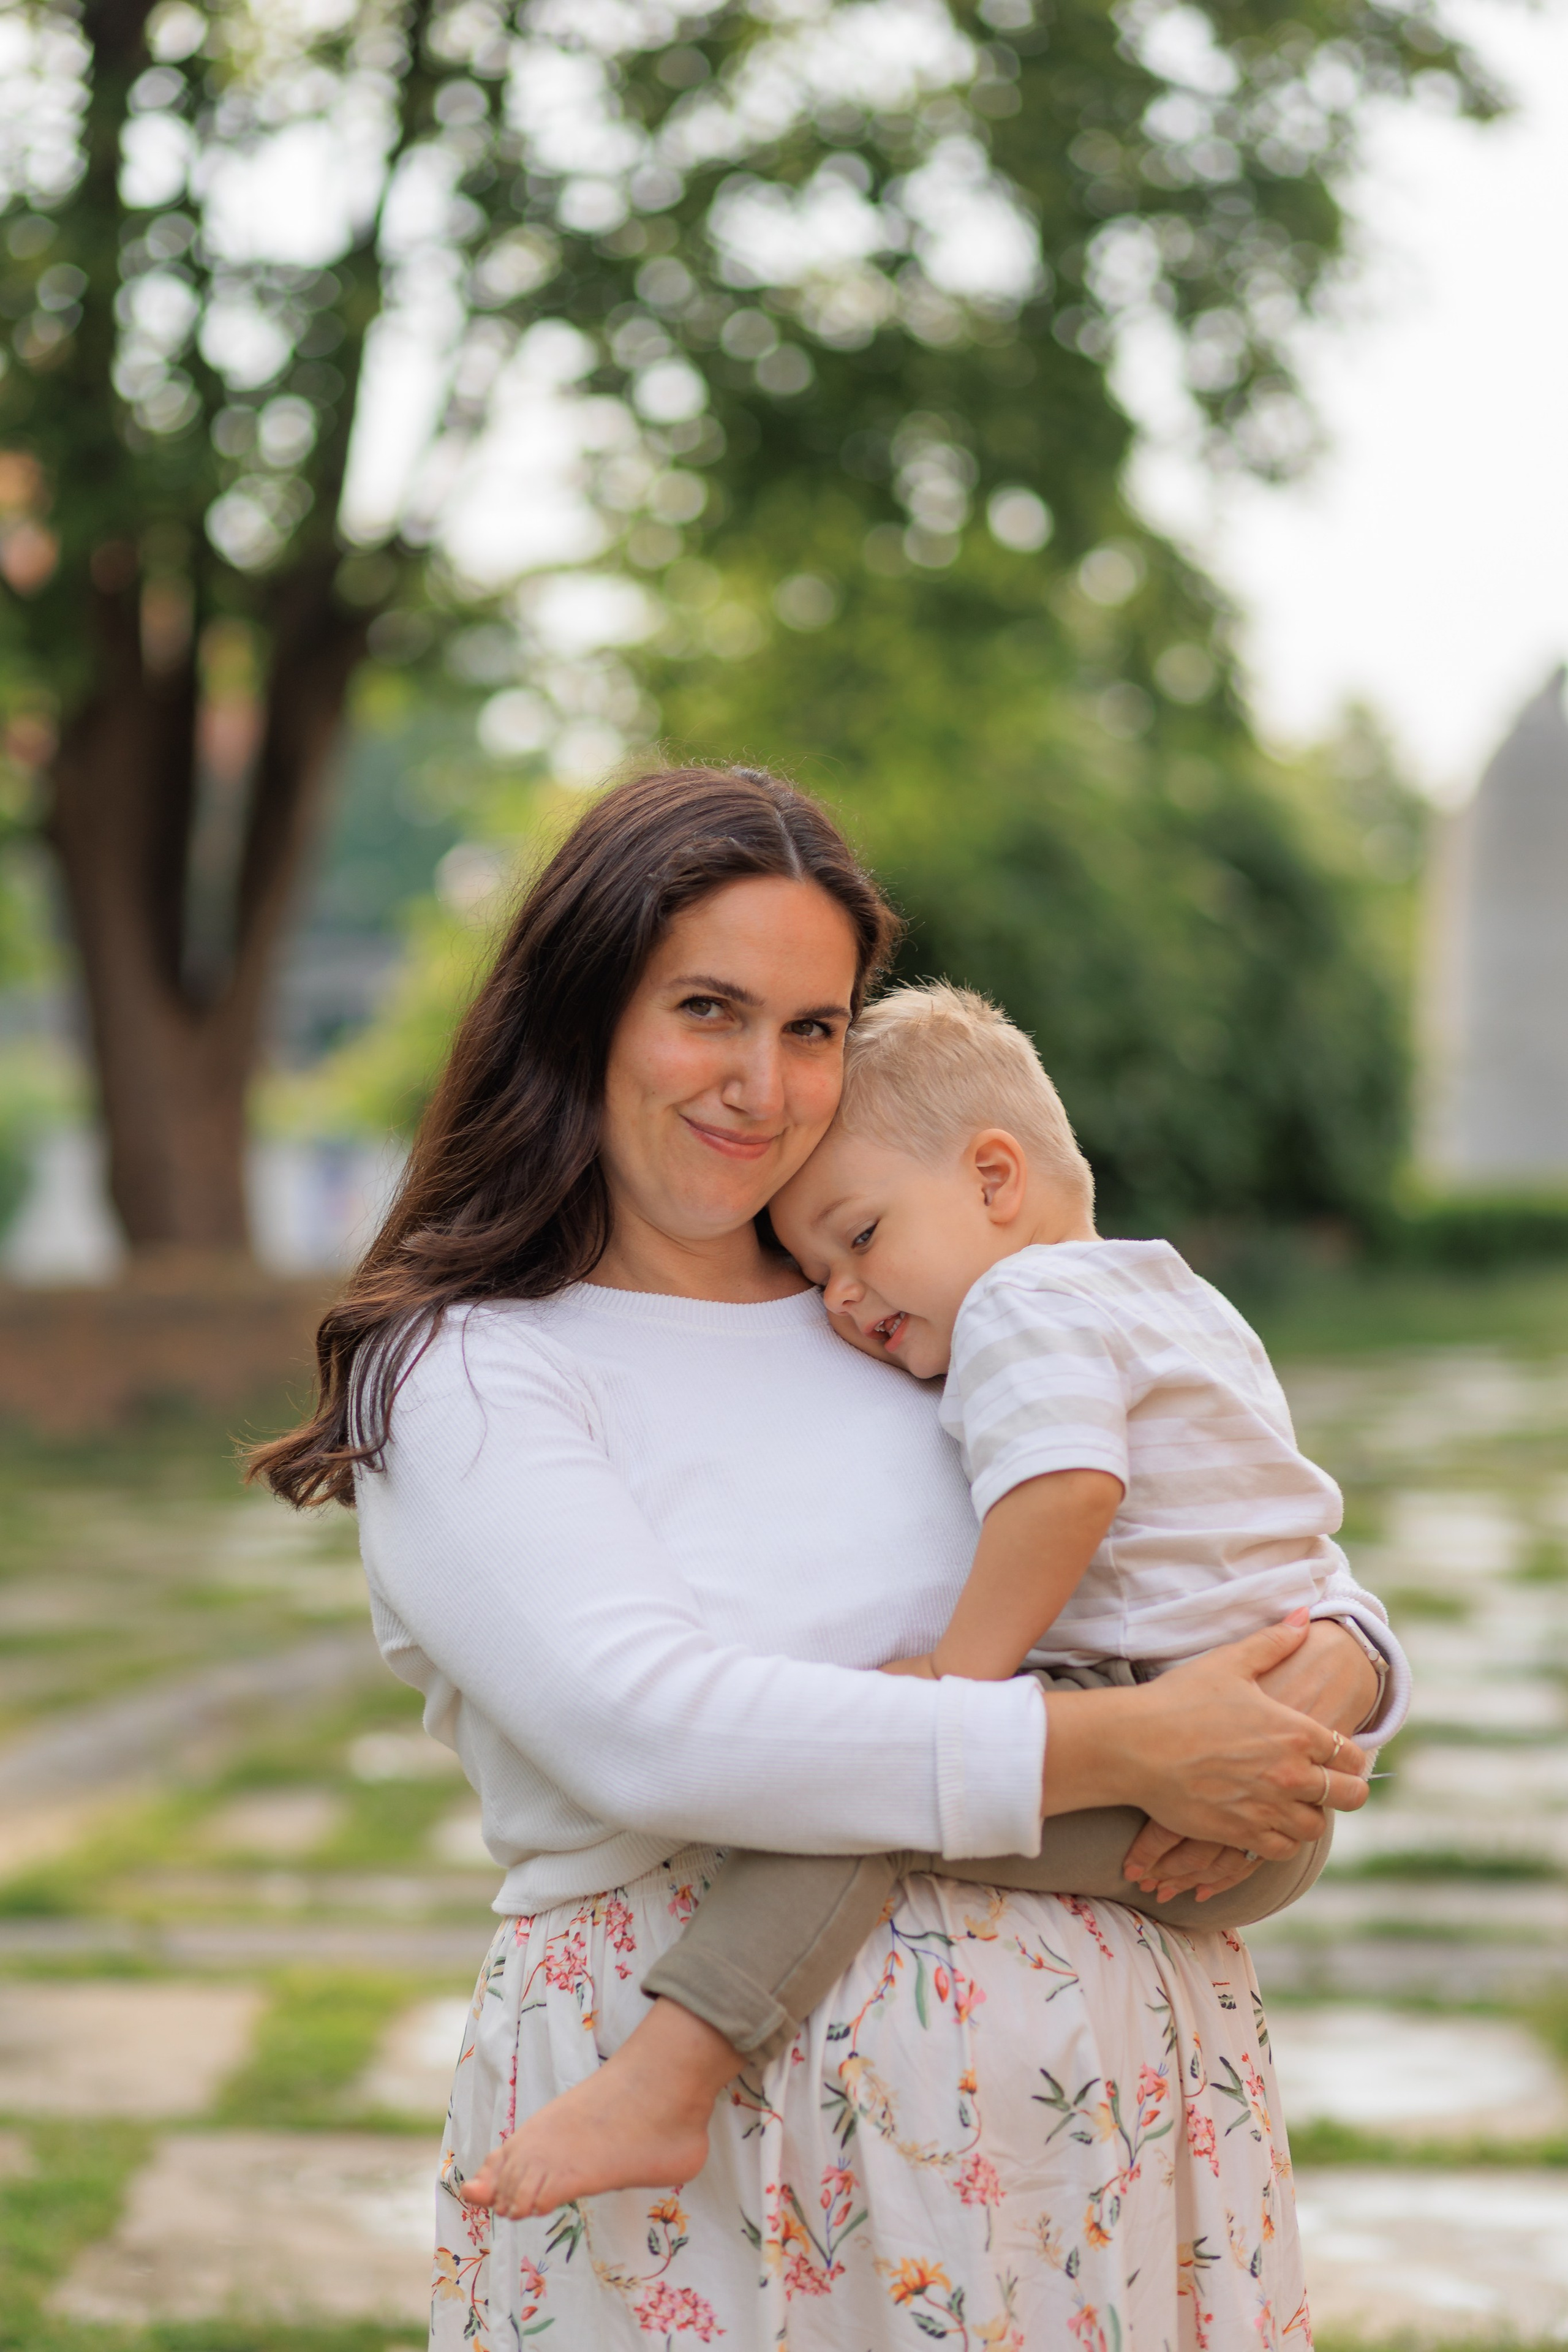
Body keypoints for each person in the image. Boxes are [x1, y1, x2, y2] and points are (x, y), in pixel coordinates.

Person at [255, 765, 1403, 2351]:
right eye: (708, 1011)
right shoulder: (472, 1368)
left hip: (1103, 2139)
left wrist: (1351, 1652)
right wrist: (1126, 1744)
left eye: (812, 1028)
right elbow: (648, 1726)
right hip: (741, 2159)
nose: (763, 1084)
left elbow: (1182, 1509)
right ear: (582, 1007)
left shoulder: (898, 1308)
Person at [471, 979, 1390, 2221]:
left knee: (865, 1801)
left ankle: (666, 2080)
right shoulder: (1170, 1294)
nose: (842, 1297)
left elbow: (1063, 1492)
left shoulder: (1023, 1301)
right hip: (1260, 1781)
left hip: (1184, 1743)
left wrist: (956, 1690)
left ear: (994, 1181)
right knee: (890, 1780)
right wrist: (1351, 1656)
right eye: (812, 1271)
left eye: (856, 1238)